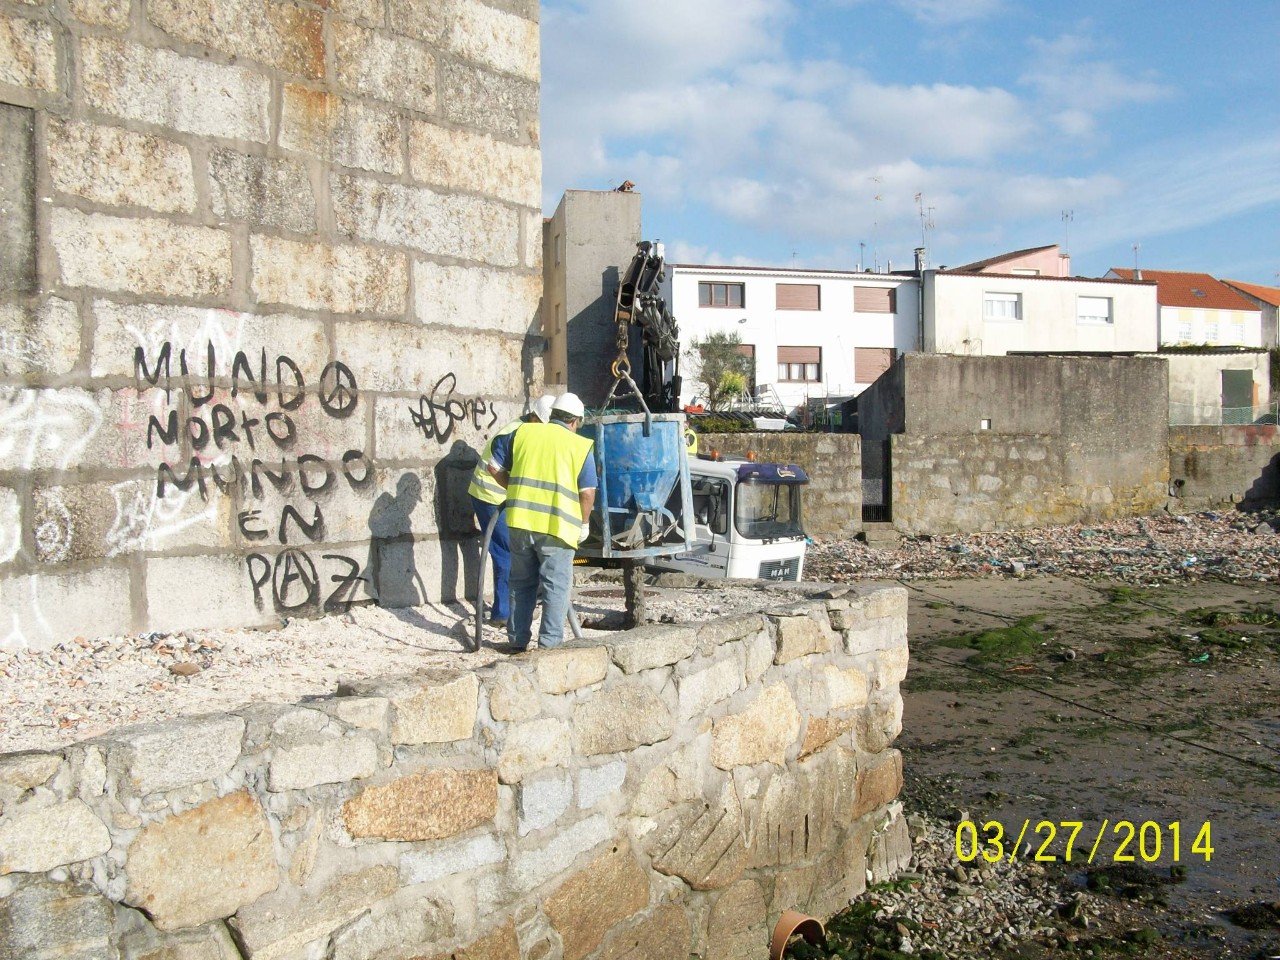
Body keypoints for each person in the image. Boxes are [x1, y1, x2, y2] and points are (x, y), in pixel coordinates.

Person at [488, 392, 597, 651]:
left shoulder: (524, 433)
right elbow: (588, 493)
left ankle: (516, 642)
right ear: (575, 421)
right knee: (555, 588)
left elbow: (493, 465)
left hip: (520, 523)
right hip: (557, 529)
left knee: (520, 584)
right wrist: (583, 524)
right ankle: (549, 648)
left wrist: (513, 488)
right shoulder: (579, 446)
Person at [468, 394, 556, 627]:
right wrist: (517, 491)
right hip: (490, 497)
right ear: (535, 417)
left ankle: (518, 606)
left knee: (518, 550)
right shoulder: (514, 433)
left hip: (505, 497)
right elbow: (494, 467)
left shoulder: (531, 431)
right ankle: (503, 613)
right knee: (506, 552)